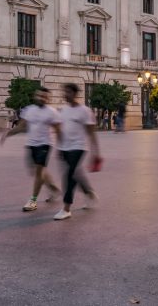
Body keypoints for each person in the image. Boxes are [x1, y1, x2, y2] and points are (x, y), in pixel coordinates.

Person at [0, 86, 61, 212]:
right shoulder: (29, 110)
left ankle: (33, 200)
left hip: (45, 144)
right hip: (31, 144)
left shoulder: (52, 112)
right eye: (39, 95)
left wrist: (62, 147)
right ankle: (53, 188)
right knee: (36, 171)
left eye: (45, 96)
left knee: (39, 172)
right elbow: (22, 126)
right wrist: (8, 134)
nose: (42, 98)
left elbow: (58, 130)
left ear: (49, 98)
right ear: (35, 96)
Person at [52, 83, 100, 220]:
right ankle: (88, 192)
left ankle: (66, 208)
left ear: (74, 94)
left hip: (79, 147)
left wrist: (95, 152)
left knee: (69, 176)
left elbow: (92, 133)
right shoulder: (63, 110)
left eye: (68, 92)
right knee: (75, 173)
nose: (65, 95)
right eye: (64, 92)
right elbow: (60, 130)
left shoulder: (84, 111)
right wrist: (59, 147)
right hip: (65, 147)